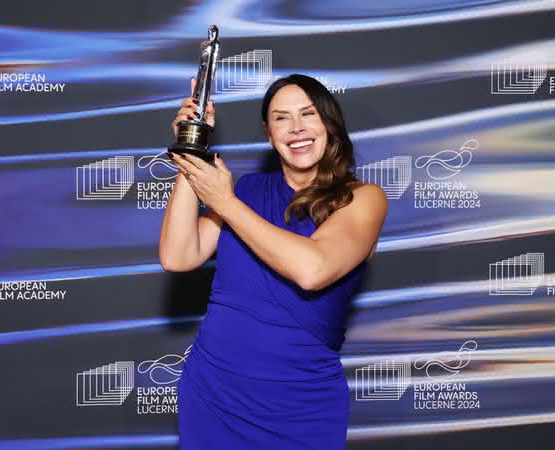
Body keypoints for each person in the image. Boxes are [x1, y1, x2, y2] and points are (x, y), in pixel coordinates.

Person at [159, 74, 388, 449]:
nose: (296, 128)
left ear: (329, 124)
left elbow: (313, 270)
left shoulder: (362, 198)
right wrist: (193, 152)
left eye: (307, 114)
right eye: (282, 118)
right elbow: (177, 255)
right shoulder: (247, 190)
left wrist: (225, 202)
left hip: (300, 404)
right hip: (213, 392)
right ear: (269, 134)